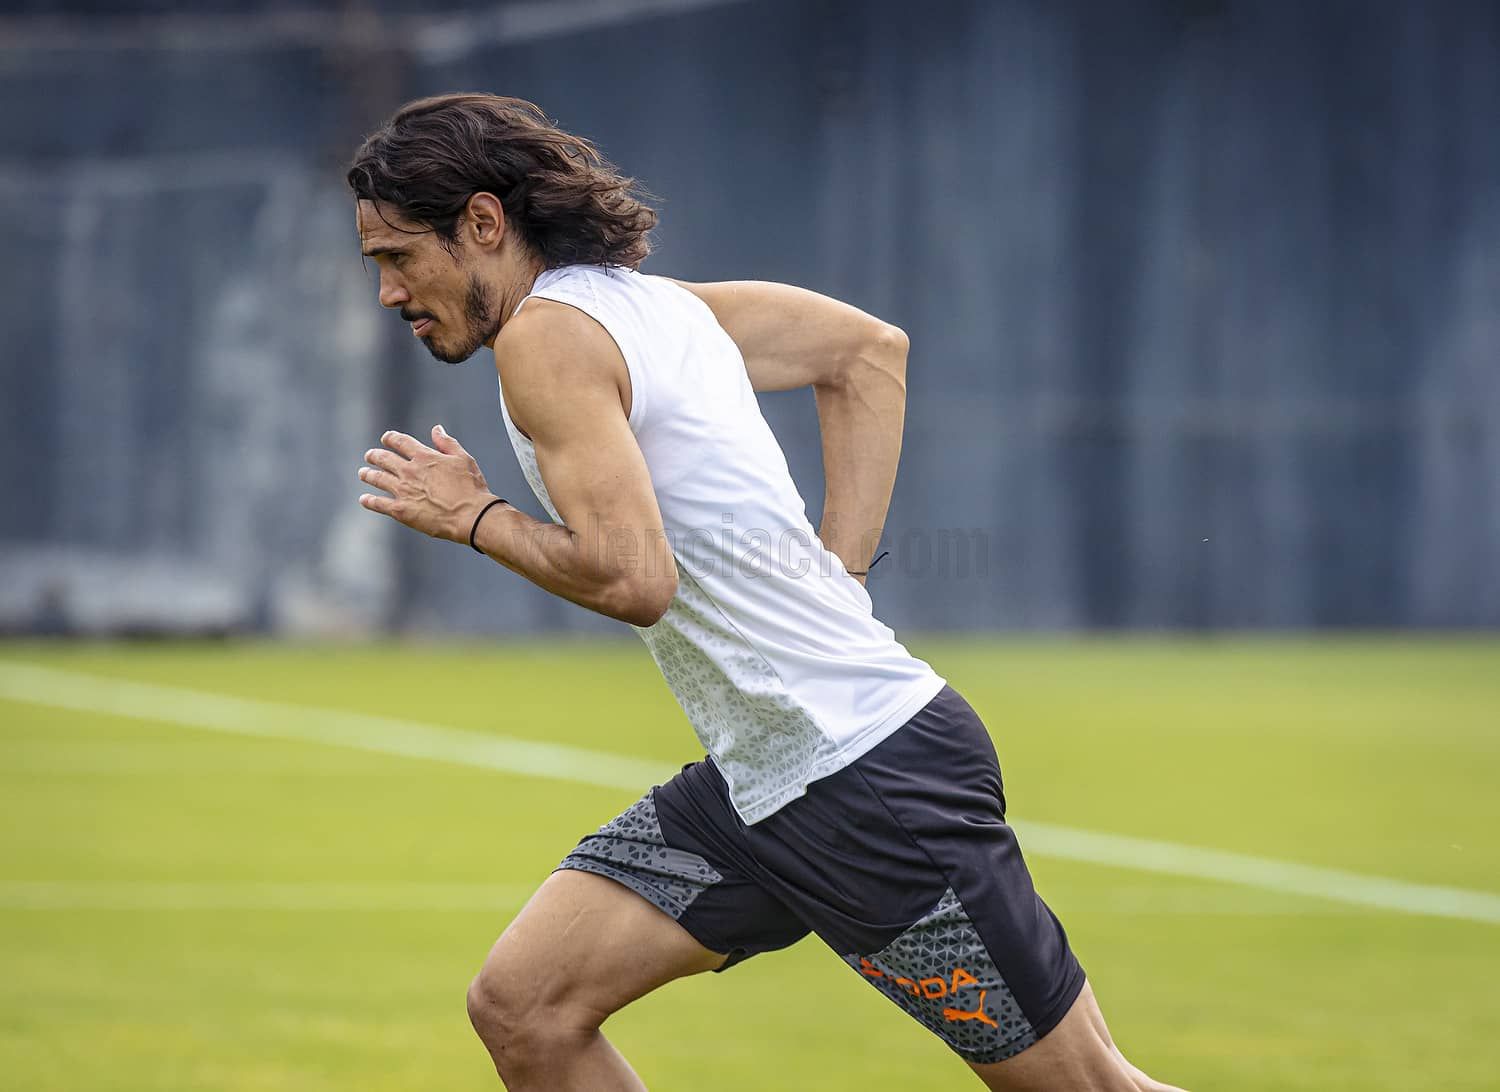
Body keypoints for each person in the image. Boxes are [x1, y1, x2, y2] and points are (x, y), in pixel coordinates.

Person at [347, 93, 1181, 1092]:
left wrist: (475, 517)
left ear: (483, 222)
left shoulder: (547, 340)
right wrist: (842, 575)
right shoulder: (658, 307)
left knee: (1088, 1090)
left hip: (867, 786)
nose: (390, 293)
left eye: (399, 257)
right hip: (761, 784)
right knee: (526, 1007)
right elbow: (868, 352)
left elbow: (634, 578)